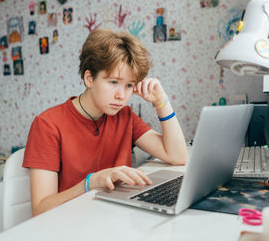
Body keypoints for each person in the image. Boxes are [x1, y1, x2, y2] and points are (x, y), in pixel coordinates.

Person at [23, 29, 187, 216]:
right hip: (70, 225)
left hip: (114, 219)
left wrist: (161, 102)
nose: (121, 95)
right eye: (113, 82)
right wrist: (90, 182)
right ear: (89, 78)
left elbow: (177, 156)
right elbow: (40, 209)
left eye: (129, 85)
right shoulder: (47, 125)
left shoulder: (124, 115)